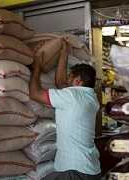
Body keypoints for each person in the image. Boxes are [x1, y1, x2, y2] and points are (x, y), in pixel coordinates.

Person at [29, 42, 101, 180]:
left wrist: (36, 67)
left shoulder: (72, 96)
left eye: (70, 77)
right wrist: (64, 53)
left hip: (74, 170)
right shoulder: (90, 98)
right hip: (89, 169)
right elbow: (61, 84)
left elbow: (35, 94)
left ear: (78, 81)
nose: (67, 81)